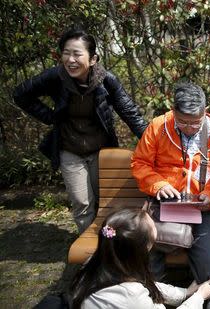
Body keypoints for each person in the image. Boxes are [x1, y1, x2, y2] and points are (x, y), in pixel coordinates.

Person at [13, 27, 147, 233]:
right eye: (66, 53)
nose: (70, 60)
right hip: (70, 149)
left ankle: (107, 242)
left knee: (104, 200)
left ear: (93, 59)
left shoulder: (107, 80)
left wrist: (153, 142)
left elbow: (130, 112)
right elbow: (21, 94)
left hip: (100, 150)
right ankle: (88, 245)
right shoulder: (56, 77)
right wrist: (49, 116)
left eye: (77, 54)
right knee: (82, 202)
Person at [130, 82, 210, 309]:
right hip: (164, 203)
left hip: (203, 207)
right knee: (146, 251)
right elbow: (140, 163)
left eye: (195, 123)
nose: (188, 127)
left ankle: (207, 303)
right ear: (173, 111)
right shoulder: (158, 127)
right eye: (182, 121)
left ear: (205, 112)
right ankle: (152, 302)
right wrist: (158, 184)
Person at [70, 207, 210, 308]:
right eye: (154, 231)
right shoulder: (132, 296)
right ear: (143, 250)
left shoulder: (95, 264)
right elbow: (140, 289)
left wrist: (185, 293)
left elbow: (146, 284)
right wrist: (200, 297)